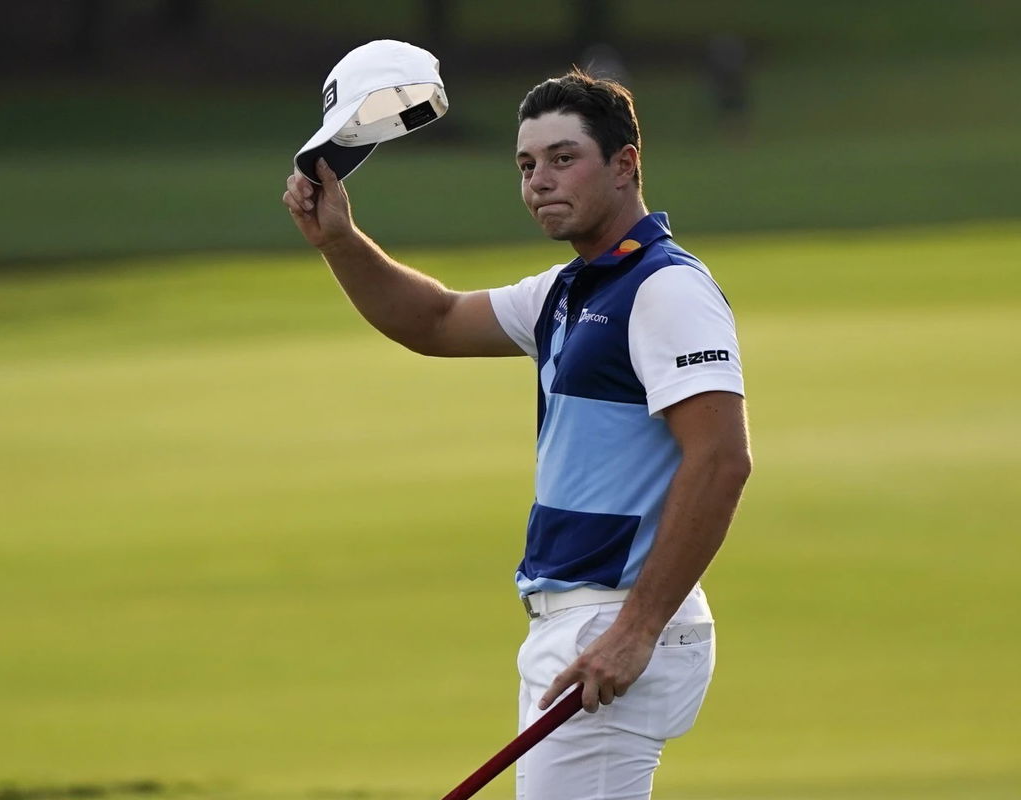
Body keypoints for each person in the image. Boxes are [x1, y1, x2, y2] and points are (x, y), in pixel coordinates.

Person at [282, 68, 751, 800]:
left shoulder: (665, 289)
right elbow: (432, 321)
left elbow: (722, 459)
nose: (539, 181)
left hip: (614, 616)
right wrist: (339, 241)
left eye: (564, 159)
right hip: (581, 618)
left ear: (625, 164)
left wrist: (634, 631)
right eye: (527, 165)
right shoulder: (567, 291)